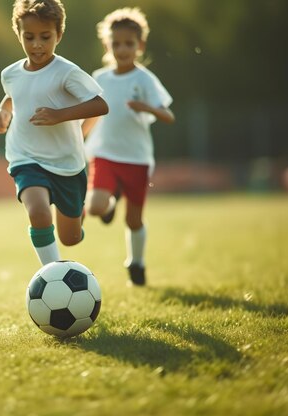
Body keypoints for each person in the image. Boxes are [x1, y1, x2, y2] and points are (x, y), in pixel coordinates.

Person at [0, 0, 109, 265]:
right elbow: (13, 96)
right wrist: (3, 113)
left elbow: (100, 105)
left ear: (59, 34)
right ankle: (52, 272)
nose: (37, 45)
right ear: (18, 33)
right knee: (38, 212)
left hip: (67, 163)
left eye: (45, 37)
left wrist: (59, 116)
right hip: (26, 157)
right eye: (29, 37)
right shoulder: (10, 73)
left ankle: (81, 213)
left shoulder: (67, 72)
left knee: (71, 238)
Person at [82, 7, 175, 286]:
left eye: (129, 44)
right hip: (104, 154)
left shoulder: (144, 80)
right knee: (96, 206)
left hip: (136, 159)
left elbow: (169, 116)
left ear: (140, 45)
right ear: (107, 45)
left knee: (133, 220)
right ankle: (109, 203)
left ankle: (136, 263)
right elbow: (91, 115)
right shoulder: (99, 78)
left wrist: (146, 107)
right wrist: (78, 138)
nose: (122, 49)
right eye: (116, 43)